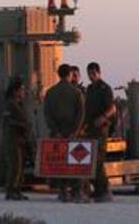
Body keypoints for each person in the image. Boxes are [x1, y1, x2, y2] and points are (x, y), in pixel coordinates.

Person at [44, 64, 86, 203]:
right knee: (77, 162)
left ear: (58, 74)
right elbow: (81, 114)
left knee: (60, 163)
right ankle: (77, 191)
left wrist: (56, 131)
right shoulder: (76, 93)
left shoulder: (50, 92)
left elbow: (47, 114)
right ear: (70, 74)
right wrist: (75, 132)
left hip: (57, 133)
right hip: (73, 133)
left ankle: (63, 192)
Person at [85, 62, 117, 202]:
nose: (91, 76)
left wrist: (103, 118)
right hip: (90, 128)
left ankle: (104, 190)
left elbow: (112, 108)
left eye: (93, 73)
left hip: (101, 129)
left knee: (98, 160)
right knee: (91, 160)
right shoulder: (90, 89)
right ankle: (98, 190)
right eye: (89, 74)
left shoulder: (105, 89)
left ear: (99, 73)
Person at [2, 77, 30, 201]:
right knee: (15, 165)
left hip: (20, 138)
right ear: (15, 91)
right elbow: (7, 121)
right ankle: (11, 190)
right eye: (21, 89)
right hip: (12, 138)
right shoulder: (10, 104)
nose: (23, 92)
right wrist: (22, 125)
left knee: (20, 165)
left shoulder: (19, 104)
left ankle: (17, 189)